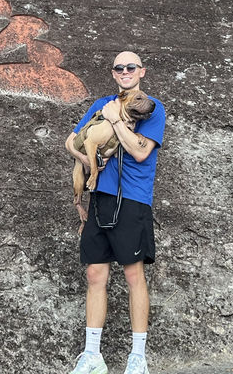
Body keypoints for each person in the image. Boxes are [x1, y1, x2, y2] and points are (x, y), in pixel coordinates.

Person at [64, 51, 166, 374]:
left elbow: (138, 151)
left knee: (134, 275)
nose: (125, 71)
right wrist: (85, 161)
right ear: (113, 73)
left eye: (131, 67)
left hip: (133, 200)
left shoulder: (150, 108)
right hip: (101, 198)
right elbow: (71, 141)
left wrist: (115, 119)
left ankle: (138, 358)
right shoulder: (102, 104)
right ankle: (92, 355)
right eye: (119, 68)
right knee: (95, 275)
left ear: (142, 72)